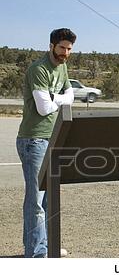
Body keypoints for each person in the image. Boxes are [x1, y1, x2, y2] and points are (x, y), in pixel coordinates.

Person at [16, 28, 76, 258]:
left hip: (52, 137)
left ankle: (47, 247)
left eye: (69, 49)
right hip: (33, 140)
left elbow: (70, 97)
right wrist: (58, 100)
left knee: (51, 199)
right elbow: (43, 108)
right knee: (36, 201)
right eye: (62, 47)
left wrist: (55, 98)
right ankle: (35, 253)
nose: (65, 53)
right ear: (51, 45)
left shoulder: (62, 66)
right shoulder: (38, 69)